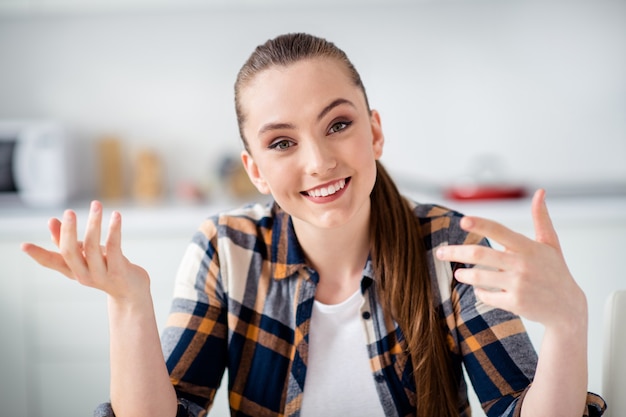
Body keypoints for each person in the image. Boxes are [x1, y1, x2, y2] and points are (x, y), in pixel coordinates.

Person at [21, 33, 606, 417]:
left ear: (374, 132)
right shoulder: (227, 250)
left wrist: (569, 324)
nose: (319, 161)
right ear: (254, 169)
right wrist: (128, 305)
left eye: (338, 125)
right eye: (282, 142)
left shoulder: (452, 246)